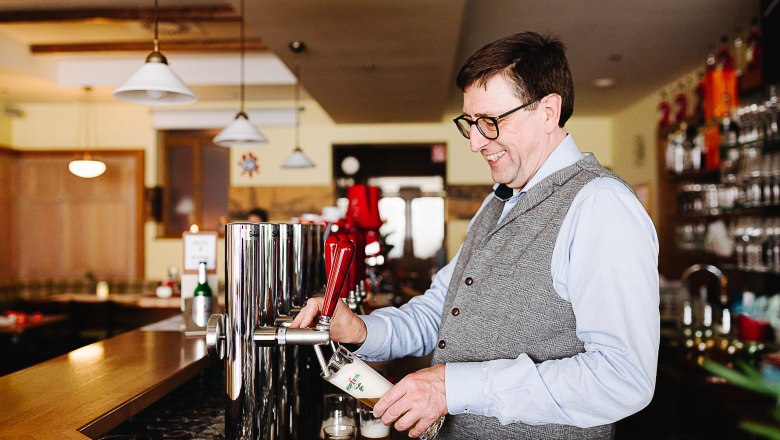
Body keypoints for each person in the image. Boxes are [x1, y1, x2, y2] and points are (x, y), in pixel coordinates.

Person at [293, 32, 659, 439]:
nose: (475, 142)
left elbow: (622, 378)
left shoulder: (600, 205)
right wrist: (359, 329)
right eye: (470, 123)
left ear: (548, 112)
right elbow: (441, 312)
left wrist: (453, 388)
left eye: (490, 122)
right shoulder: (498, 202)